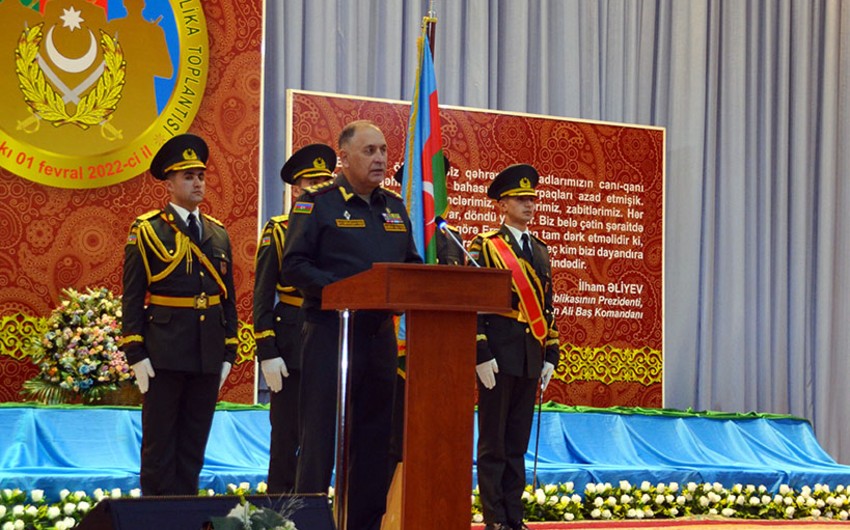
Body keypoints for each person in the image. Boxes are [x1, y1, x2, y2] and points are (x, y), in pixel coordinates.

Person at [280, 120, 422, 530]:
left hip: (378, 339)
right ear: (343, 157)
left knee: (374, 441)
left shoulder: (394, 207)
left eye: (383, 150)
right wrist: (343, 292)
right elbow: (294, 266)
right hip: (331, 334)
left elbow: (410, 265)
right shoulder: (317, 204)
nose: (380, 158)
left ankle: (364, 524)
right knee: (320, 440)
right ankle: (307, 524)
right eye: (369, 151)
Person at [121, 133, 238, 496]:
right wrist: (135, 352)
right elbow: (133, 296)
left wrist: (229, 350)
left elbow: (228, 297)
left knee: (193, 446)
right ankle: (156, 515)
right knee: (159, 446)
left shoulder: (217, 233)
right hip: (164, 352)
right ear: (169, 184)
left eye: (200, 175)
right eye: (188, 176)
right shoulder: (147, 230)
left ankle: (185, 511)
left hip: (207, 353)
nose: (198, 182)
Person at [467, 164, 560, 530]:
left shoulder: (540, 250)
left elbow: (548, 306)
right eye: (521, 199)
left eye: (532, 199)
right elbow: (473, 303)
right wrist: (480, 352)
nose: (529, 205)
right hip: (497, 355)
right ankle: (494, 519)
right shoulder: (485, 246)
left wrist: (550, 354)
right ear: (502, 205)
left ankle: (514, 518)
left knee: (517, 443)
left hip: (529, 356)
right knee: (493, 444)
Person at [253, 143, 336, 493]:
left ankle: (314, 506)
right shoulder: (279, 229)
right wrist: (267, 351)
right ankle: (279, 508)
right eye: (312, 182)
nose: (319, 188)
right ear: (296, 188)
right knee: (286, 436)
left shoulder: (337, 228)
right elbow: (262, 294)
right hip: (290, 340)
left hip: (328, 336)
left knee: (321, 436)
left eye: (324, 181)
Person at [387, 158, 465, 484]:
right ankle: (389, 502)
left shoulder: (451, 237)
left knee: (437, 435)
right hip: (397, 351)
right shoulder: (390, 232)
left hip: (439, 354)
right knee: (394, 435)